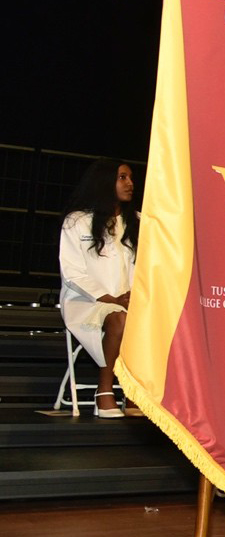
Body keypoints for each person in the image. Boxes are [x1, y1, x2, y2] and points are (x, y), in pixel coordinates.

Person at [58, 159, 139, 418]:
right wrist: (112, 298)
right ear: (105, 182)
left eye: (130, 178)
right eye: (122, 178)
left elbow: (150, 268)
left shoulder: (139, 222)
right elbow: (73, 273)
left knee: (150, 319)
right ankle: (104, 389)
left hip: (129, 300)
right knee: (119, 319)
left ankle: (135, 391)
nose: (130, 184)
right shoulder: (77, 222)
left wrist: (135, 295)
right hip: (88, 301)